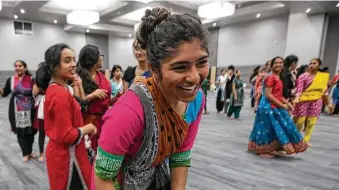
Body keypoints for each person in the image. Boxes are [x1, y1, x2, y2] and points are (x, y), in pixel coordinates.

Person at [93, 7, 209, 190]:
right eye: (180, 67)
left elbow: (181, 155)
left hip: (159, 178)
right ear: (155, 69)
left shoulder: (196, 99)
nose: (195, 77)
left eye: (201, 62)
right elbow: (103, 176)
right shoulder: (128, 113)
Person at [37, 43, 97, 190]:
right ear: (53, 65)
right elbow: (67, 135)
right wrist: (87, 128)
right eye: (67, 60)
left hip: (62, 154)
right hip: (67, 157)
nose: (73, 65)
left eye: (74, 60)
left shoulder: (58, 88)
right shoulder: (60, 93)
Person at [248, 56, 308, 157]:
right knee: (267, 128)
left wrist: (288, 104)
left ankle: (273, 148)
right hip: (267, 107)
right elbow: (268, 95)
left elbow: (278, 95)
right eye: (276, 63)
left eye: (281, 63)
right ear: (272, 65)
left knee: (278, 127)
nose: (278, 65)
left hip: (275, 105)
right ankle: (264, 150)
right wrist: (283, 106)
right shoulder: (270, 77)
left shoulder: (278, 76)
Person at [76, 44, 111, 152]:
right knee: (89, 151)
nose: (101, 58)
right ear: (93, 62)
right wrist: (91, 96)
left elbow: (106, 100)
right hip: (87, 121)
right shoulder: (78, 78)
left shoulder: (102, 76)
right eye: (100, 55)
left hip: (103, 121)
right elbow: (76, 104)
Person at [0, 60, 36, 162]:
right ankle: (25, 153)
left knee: (31, 131)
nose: (17, 68)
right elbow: (4, 94)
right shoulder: (10, 80)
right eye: (16, 66)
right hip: (16, 109)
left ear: (25, 68)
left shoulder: (31, 79)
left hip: (30, 108)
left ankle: (29, 151)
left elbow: (36, 92)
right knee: (21, 132)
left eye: (20, 66)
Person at [293, 58, 334, 147]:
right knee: (300, 121)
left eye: (314, 63)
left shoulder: (323, 77)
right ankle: (296, 139)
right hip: (303, 100)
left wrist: (329, 104)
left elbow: (325, 91)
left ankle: (306, 140)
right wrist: (297, 98)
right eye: (310, 63)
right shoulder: (303, 76)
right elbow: (299, 90)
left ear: (319, 65)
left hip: (316, 101)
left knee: (311, 121)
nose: (311, 65)